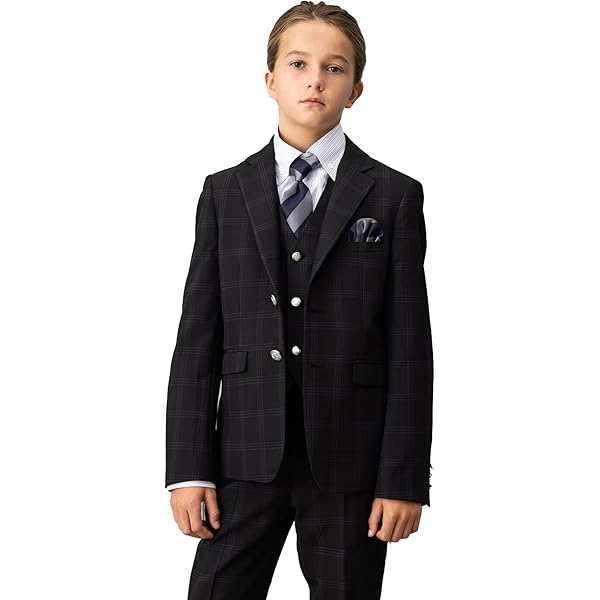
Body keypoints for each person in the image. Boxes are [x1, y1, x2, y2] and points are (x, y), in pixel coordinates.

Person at [165, 2, 434, 598]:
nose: (315, 79)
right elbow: (197, 337)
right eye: (298, 64)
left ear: (355, 89)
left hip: (351, 464)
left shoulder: (394, 196)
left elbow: (411, 348)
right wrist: (187, 468)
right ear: (270, 81)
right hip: (241, 459)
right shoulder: (224, 193)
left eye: (334, 68)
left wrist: (403, 477)